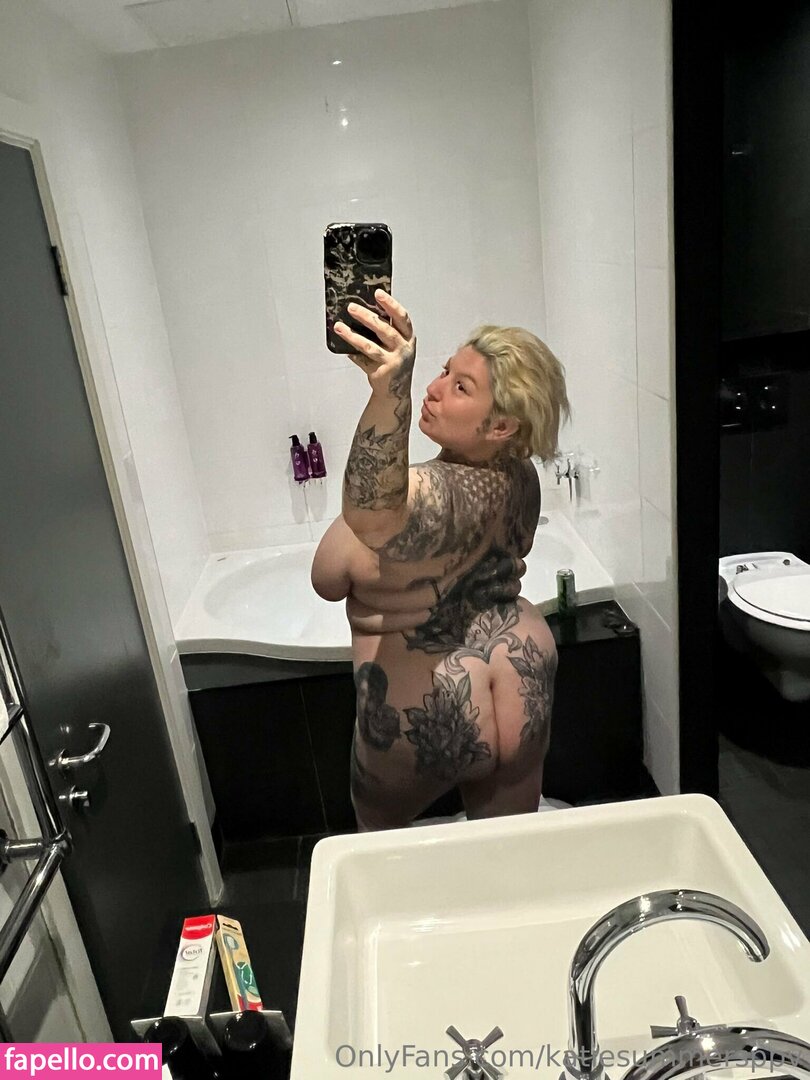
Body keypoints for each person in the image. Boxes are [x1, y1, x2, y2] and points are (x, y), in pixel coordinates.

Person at [311, 289, 570, 830]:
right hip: (522, 676)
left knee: (383, 853)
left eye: (460, 387)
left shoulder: (418, 497)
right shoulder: (522, 478)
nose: (434, 388)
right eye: (446, 371)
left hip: (426, 711)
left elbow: (330, 574)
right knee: (510, 853)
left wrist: (389, 391)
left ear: (501, 427)